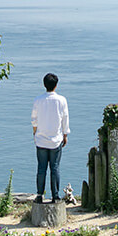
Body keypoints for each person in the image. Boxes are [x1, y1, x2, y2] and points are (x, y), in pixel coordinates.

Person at [31, 72, 69, 203]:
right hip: (56, 140)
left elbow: (34, 120)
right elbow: (65, 119)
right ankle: (55, 196)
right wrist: (65, 135)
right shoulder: (62, 100)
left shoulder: (38, 100)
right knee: (55, 168)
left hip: (41, 139)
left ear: (44, 84)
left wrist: (35, 133)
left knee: (41, 168)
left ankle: (40, 195)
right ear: (56, 85)